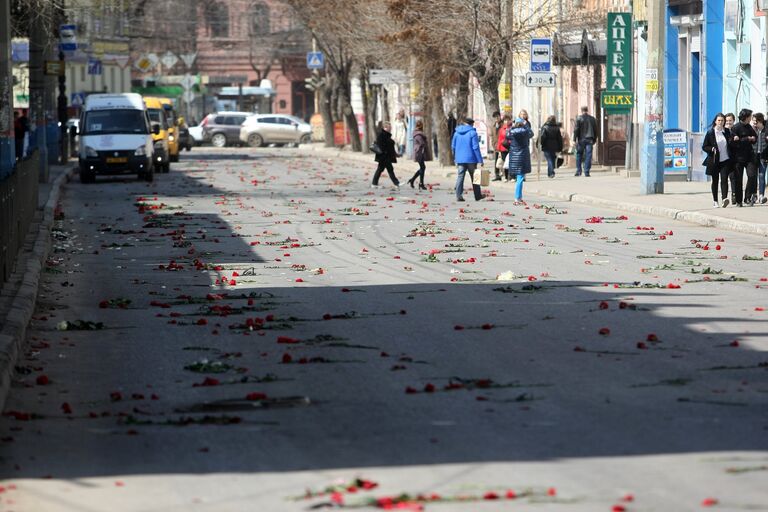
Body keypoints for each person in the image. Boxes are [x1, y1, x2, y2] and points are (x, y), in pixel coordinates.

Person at [702, 113, 733, 208]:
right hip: (714, 161)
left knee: (724, 179)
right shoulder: (711, 133)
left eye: (722, 120)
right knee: (715, 181)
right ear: (715, 121)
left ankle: (724, 198)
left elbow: (731, 140)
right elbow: (704, 146)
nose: (720, 122)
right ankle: (715, 201)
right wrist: (711, 149)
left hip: (725, 160)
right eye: (719, 120)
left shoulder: (727, 131)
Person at [452, 117, 483, 202]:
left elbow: (453, 147)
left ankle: (458, 195)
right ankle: (478, 195)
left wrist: (455, 158)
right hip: (471, 159)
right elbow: (475, 147)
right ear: (472, 124)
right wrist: (480, 160)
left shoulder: (456, 133)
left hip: (460, 159)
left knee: (460, 176)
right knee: (475, 177)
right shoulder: (472, 133)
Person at [729, 108, 756, 207]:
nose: (751, 119)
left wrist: (753, 139)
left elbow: (755, 137)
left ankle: (747, 197)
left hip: (749, 157)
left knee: (752, 175)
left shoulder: (749, 127)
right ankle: (739, 200)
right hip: (738, 158)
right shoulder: (735, 128)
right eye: (750, 117)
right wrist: (746, 139)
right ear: (745, 117)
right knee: (738, 179)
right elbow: (733, 142)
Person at [506, 117, 534, 204]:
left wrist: (512, 126)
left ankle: (519, 197)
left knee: (519, 178)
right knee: (520, 178)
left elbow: (507, 135)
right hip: (522, 157)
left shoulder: (512, 132)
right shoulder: (525, 132)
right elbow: (531, 134)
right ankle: (517, 197)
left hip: (514, 157)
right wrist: (526, 125)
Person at [371, 121, 400, 189]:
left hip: (385, 156)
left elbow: (389, 146)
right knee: (389, 169)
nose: (390, 129)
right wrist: (386, 153)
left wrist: (395, 154)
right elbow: (382, 146)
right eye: (389, 127)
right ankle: (396, 183)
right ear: (385, 128)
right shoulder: (381, 135)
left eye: (390, 127)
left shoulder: (386, 135)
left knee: (381, 169)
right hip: (383, 156)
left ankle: (374, 183)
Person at [573, 106, 598, 177]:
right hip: (590, 139)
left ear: (581, 111)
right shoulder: (592, 119)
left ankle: (578, 171)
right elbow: (596, 130)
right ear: (587, 110)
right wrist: (594, 139)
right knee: (588, 155)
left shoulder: (579, 118)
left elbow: (576, 130)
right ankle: (587, 172)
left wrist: (574, 140)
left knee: (579, 154)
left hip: (581, 140)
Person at [407, 120, 428, 190]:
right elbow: (422, 143)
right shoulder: (418, 134)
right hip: (419, 152)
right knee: (423, 167)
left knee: (422, 167)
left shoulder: (417, 133)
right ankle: (419, 183)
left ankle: (415, 181)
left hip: (419, 152)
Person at [754, 113, 768, 204]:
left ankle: (761, 195)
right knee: (753, 176)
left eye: (756, 121)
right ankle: (753, 195)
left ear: (760, 121)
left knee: (762, 175)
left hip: (763, 156)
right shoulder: (752, 130)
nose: (754, 123)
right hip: (754, 156)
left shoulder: (766, 130)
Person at [494, 114, 512, 181]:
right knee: (504, 163)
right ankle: (505, 177)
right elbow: (499, 139)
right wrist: (498, 149)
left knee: (510, 162)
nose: (506, 121)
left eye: (508, 120)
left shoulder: (512, 128)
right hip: (503, 148)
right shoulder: (501, 129)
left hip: (510, 147)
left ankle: (511, 176)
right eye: (505, 120)